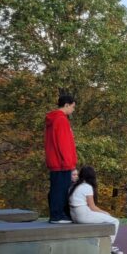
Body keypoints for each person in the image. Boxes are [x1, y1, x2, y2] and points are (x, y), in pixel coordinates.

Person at [68, 166, 122, 254]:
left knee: (105, 219)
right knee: (115, 221)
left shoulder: (75, 186)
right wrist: (105, 212)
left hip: (74, 215)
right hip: (83, 215)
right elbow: (92, 207)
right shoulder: (87, 187)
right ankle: (108, 248)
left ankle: (104, 245)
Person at [45, 94, 77, 224]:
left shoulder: (53, 119)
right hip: (61, 162)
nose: (73, 110)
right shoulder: (61, 120)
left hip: (55, 160)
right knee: (60, 189)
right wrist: (69, 163)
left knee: (57, 188)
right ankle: (57, 216)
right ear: (67, 105)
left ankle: (58, 214)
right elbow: (63, 143)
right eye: (73, 107)